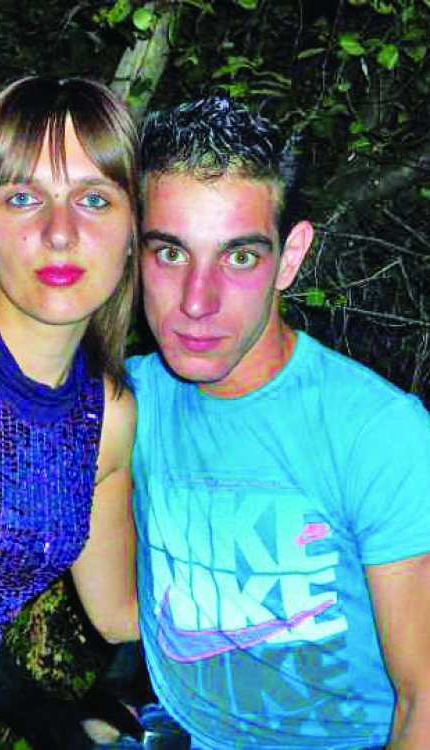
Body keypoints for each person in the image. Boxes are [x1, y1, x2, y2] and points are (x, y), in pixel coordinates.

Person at [126, 96, 430, 749]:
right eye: (170, 253)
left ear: (289, 259)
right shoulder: (129, 403)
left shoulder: (378, 433)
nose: (197, 302)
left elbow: (424, 698)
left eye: (239, 257)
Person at [0, 76, 139, 749]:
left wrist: (296, 609)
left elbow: (118, 612)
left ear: (134, 231)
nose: (60, 232)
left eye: (94, 199)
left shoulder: (107, 415)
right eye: (23, 197)